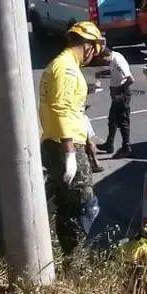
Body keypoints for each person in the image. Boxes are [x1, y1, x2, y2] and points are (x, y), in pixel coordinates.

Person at [39, 20, 105, 259]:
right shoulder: (66, 68)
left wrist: (88, 139)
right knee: (84, 206)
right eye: (94, 50)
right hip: (65, 144)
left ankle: (69, 257)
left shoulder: (62, 65)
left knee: (67, 206)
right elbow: (62, 108)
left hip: (61, 141)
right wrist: (70, 152)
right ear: (89, 46)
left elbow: (74, 110)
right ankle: (77, 261)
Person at [95, 47, 134, 158]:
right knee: (112, 120)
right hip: (116, 93)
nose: (104, 62)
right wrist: (102, 73)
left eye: (104, 59)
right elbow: (113, 71)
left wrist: (119, 91)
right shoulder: (113, 58)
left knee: (123, 121)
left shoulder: (118, 62)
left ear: (107, 55)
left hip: (122, 94)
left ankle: (126, 147)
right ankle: (109, 144)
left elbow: (131, 79)